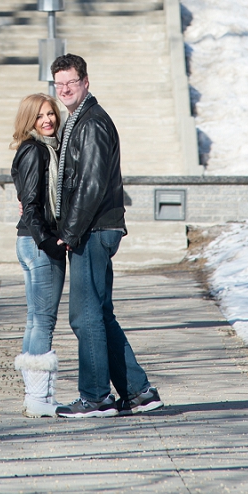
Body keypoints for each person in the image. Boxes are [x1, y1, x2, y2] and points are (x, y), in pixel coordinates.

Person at [50, 53, 164, 419]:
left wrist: (70, 230)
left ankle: (96, 396)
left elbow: (93, 184)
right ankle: (137, 392)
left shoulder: (92, 123)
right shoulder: (79, 121)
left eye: (71, 82)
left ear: (86, 82)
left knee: (85, 317)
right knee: (100, 314)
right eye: (59, 84)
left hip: (94, 228)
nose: (65, 89)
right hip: (95, 227)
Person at [11, 93, 67, 417]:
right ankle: (39, 397)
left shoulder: (35, 149)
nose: (48, 120)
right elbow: (31, 204)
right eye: (40, 115)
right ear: (29, 120)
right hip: (38, 242)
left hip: (29, 241)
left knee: (35, 320)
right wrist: (50, 242)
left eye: (51, 114)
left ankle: (35, 395)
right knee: (43, 321)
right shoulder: (36, 151)